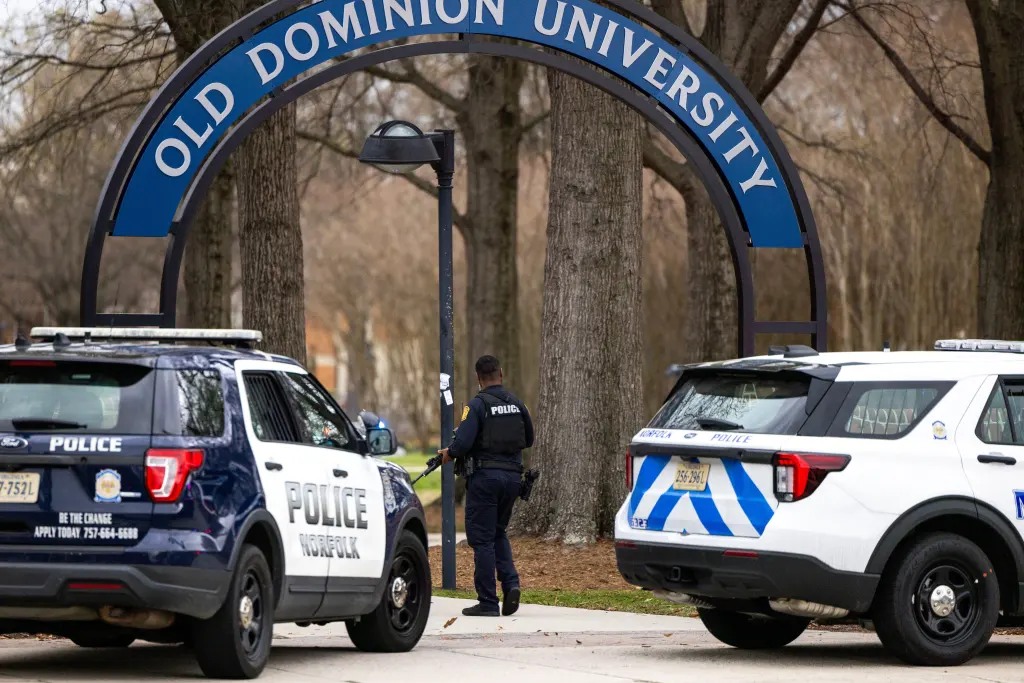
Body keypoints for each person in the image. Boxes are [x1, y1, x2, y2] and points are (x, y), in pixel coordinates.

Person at [439, 355, 534, 617]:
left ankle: (488, 601)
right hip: (513, 479)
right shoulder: (517, 403)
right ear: (501, 373)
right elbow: (529, 438)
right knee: (498, 532)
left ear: (478, 378)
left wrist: (450, 452)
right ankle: (511, 584)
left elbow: (463, 444)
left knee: (482, 540)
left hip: (485, 479)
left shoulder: (477, 406)